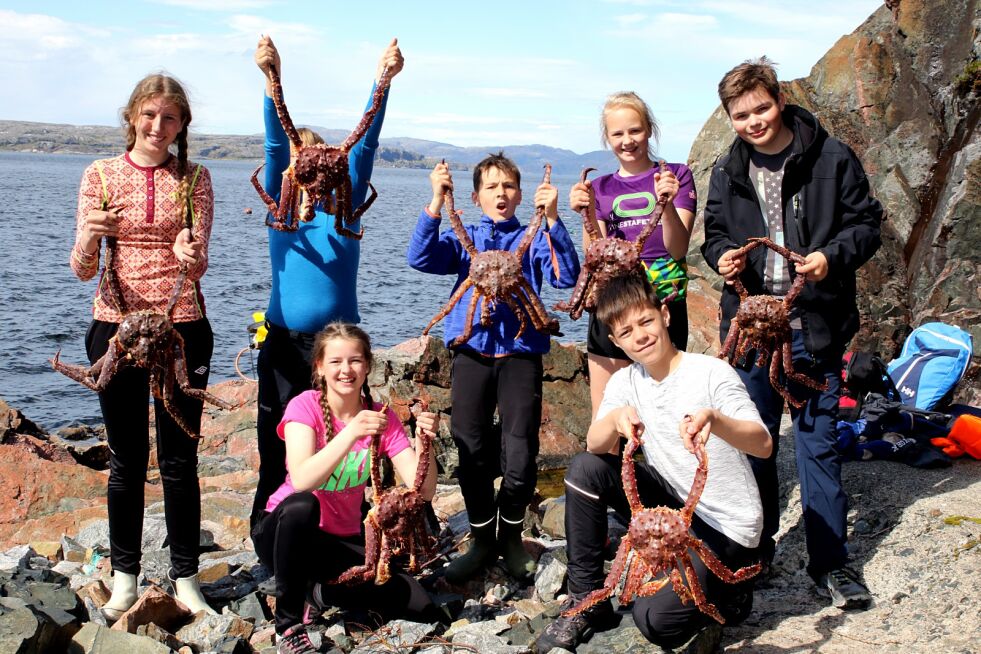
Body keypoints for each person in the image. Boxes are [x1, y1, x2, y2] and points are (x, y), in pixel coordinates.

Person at [700, 56, 882, 609]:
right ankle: (754, 551)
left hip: (816, 327)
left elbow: (867, 225)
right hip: (752, 331)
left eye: (760, 108)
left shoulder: (831, 156)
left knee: (817, 445)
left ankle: (832, 564)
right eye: (740, 114)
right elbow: (712, 235)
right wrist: (722, 258)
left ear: (779, 101)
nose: (753, 121)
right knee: (752, 445)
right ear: (729, 117)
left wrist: (830, 258)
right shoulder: (726, 170)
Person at [535, 275, 771, 653]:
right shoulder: (627, 381)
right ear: (615, 341)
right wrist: (613, 421)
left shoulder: (711, 373)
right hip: (675, 508)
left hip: (726, 528)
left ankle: (730, 590)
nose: (640, 336)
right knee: (585, 469)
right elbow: (595, 443)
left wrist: (717, 421)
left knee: (654, 621)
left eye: (646, 322)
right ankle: (587, 600)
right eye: (626, 331)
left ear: (665, 316)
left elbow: (763, 445)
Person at [69, 73, 216, 618]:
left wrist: (187, 250)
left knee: (181, 459)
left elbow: (199, 266)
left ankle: (186, 579)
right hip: (115, 328)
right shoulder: (100, 175)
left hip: (182, 326)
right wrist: (89, 234)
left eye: (170, 117)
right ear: (133, 116)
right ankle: (125, 576)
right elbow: (82, 271)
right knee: (126, 459)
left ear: (182, 125)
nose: (158, 127)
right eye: (150, 115)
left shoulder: (195, 178)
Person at [250, 36, 404, 529]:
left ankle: (348, 534)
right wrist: (271, 79)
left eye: (322, 163)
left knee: (351, 446)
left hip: (338, 350)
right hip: (283, 346)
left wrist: (382, 82)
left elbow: (366, 146)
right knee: (276, 451)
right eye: (305, 164)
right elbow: (277, 145)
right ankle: (269, 540)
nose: (314, 171)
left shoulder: (346, 209)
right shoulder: (281, 209)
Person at [407, 153, 580, 582]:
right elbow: (420, 259)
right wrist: (435, 201)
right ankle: (482, 538)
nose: (500, 194)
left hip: (521, 350)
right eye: (491, 187)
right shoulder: (466, 241)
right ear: (475, 195)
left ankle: (511, 536)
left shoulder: (532, 238)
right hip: (471, 350)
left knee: (520, 451)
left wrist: (554, 220)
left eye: (508, 186)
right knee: (470, 447)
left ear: (520, 194)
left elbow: (565, 277)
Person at [251, 322, 440, 653]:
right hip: (285, 535)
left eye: (354, 361)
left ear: (367, 366)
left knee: (422, 606)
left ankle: (318, 593)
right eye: (336, 362)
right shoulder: (304, 406)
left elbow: (421, 493)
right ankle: (288, 624)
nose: (346, 370)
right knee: (302, 505)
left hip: (340, 541)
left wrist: (425, 446)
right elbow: (302, 480)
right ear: (320, 367)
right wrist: (350, 433)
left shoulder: (381, 417)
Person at [568, 92, 697, 418]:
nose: (628, 140)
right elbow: (593, 252)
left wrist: (665, 204)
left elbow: (678, 249)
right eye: (618, 133)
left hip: (662, 304)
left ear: (649, 129)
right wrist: (584, 212)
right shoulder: (598, 187)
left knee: (666, 413)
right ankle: (605, 468)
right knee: (608, 412)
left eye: (635, 130)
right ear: (608, 138)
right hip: (612, 303)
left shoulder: (676, 175)